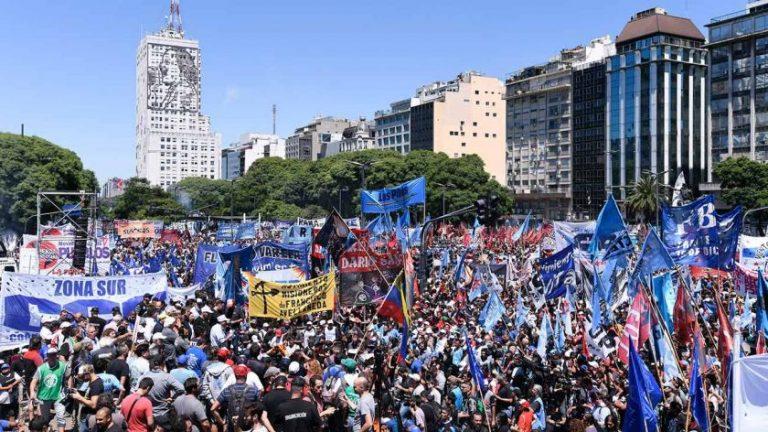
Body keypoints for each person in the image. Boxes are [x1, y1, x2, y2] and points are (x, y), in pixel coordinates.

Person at [211, 365, 259, 432]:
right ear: (246, 376)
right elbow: (258, 409)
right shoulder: (253, 391)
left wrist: (223, 423)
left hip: (231, 427)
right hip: (248, 428)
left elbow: (213, 409)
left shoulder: (226, 390)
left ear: (235, 376)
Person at [141, 356, 184, 431]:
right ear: (162, 365)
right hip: (163, 414)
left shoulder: (143, 376)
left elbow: (136, 391)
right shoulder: (166, 377)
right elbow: (181, 388)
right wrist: (173, 397)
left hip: (147, 414)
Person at [29, 348, 66, 426]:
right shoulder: (41, 368)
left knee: (61, 418)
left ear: (57, 355)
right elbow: (33, 382)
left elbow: (68, 376)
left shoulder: (63, 366)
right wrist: (32, 392)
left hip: (58, 396)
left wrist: (69, 388)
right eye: (50, 355)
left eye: (54, 355)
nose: (52, 357)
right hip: (44, 397)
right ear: (47, 356)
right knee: (45, 419)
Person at [70, 364, 105, 432]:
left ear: (87, 373)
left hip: (90, 417)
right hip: (86, 416)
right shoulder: (92, 382)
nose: (82, 379)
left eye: (82, 377)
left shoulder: (96, 385)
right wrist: (79, 392)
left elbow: (93, 405)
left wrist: (79, 397)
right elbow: (90, 396)